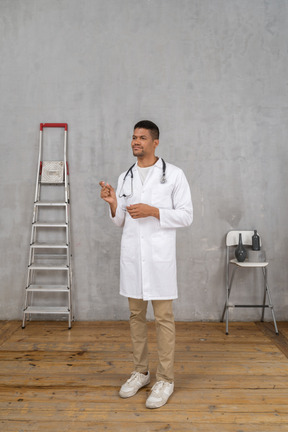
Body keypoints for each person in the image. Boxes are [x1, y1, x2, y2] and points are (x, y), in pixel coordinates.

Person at [99, 120, 193, 409]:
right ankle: (140, 372)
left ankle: (165, 379)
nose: (135, 142)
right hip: (132, 259)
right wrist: (114, 203)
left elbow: (187, 216)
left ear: (155, 142)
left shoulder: (174, 175)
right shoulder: (125, 177)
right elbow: (121, 222)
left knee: (163, 318)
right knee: (135, 317)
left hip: (158, 259)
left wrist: (154, 211)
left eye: (141, 138)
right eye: (133, 137)